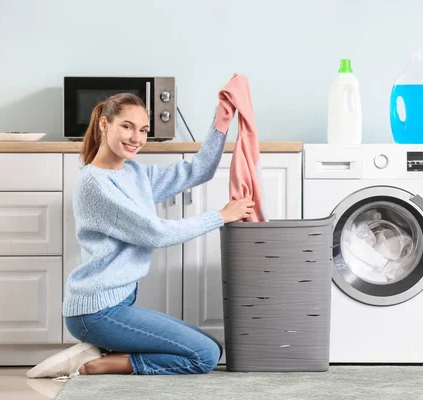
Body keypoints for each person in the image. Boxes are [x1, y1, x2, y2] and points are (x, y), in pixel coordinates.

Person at [26, 93, 254, 379]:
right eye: (127, 127)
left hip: (115, 305)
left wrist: (223, 117)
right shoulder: (94, 184)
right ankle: (98, 364)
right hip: (96, 312)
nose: (136, 137)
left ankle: (102, 350)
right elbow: (154, 233)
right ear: (105, 125)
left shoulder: (134, 173)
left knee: (212, 346)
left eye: (144, 130)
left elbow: (198, 171)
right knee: (203, 356)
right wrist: (221, 216)